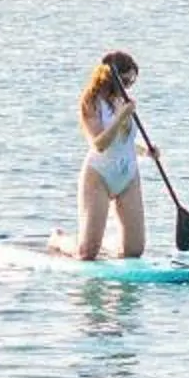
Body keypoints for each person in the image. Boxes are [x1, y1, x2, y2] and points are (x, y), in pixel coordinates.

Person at [70, 50, 147, 259]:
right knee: (87, 254)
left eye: (132, 82)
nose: (129, 87)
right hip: (99, 175)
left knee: (134, 251)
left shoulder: (122, 101)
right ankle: (61, 241)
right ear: (112, 78)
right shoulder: (91, 102)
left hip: (128, 175)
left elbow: (125, 142)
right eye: (126, 81)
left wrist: (147, 151)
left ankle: (109, 248)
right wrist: (122, 116)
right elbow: (100, 144)